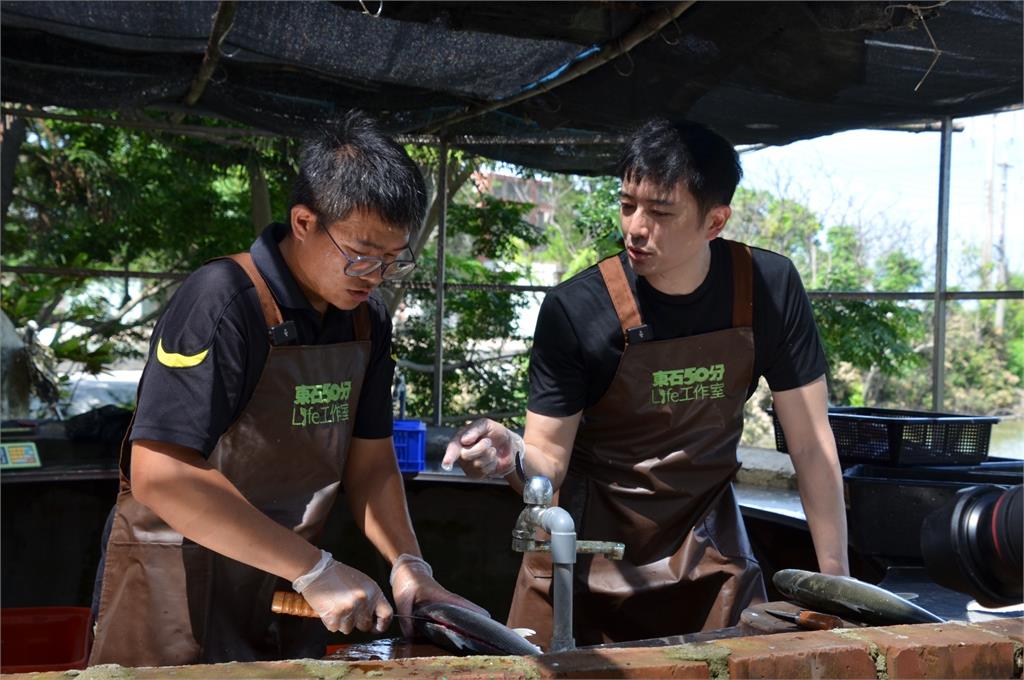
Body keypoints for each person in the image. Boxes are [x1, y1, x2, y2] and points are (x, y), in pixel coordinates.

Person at [90, 111, 483, 667]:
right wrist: (315, 568)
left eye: (391, 261)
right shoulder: (222, 300)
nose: (373, 275)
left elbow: (369, 464)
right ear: (303, 222)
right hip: (176, 586)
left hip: (283, 586)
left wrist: (409, 566)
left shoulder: (366, 319)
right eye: (360, 253)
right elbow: (161, 472)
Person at [443, 119, 849, 648]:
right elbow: (547, 459)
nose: (636, 227)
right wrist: (509, 454)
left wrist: (839, 590)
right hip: (580, 558)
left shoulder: (768, 289)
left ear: (715, 221)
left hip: (708, 555)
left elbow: (812, 444)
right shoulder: (576, 310)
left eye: (660, 212)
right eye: (627, 204)